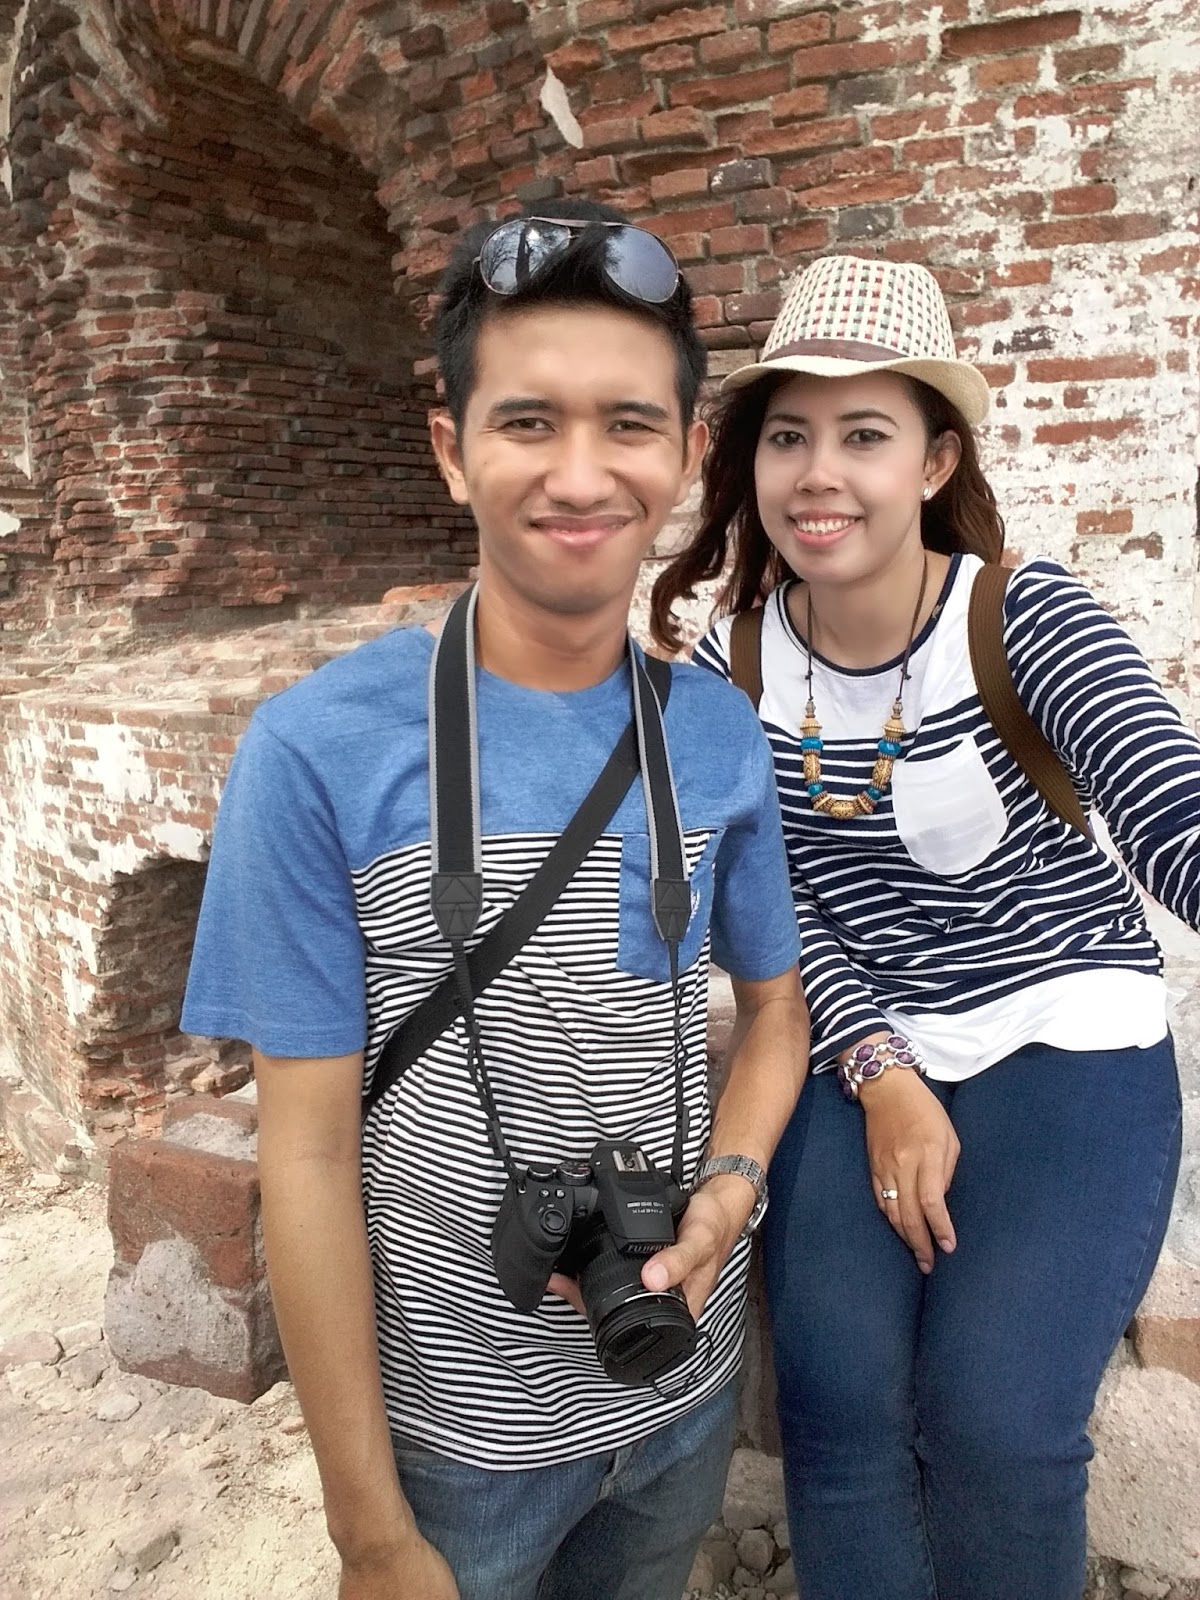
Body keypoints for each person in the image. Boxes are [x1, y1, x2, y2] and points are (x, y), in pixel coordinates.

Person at [180, 197, 808, 1600]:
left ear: (687, 452)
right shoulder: (316, 751)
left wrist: (731, 1188)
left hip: (682, 1388)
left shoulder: (715, 733)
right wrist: (370, 1533)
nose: (581, 474)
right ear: (452, 451)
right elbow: (305, 1156)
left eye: (628, 424)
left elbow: (777, 1011)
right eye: (528, 422)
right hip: (458, 1447)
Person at [651, 252, 1189, 1600]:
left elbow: (1172, 812)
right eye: (788, 436)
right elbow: (776, 917)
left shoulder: (1022, 618)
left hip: (1065, 1032)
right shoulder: (737, 664)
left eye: (864, 435)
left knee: (997, 1426)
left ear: (935, 461)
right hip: (854, 1046)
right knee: (839, 1416)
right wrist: (880, 1069)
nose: (818, 474)